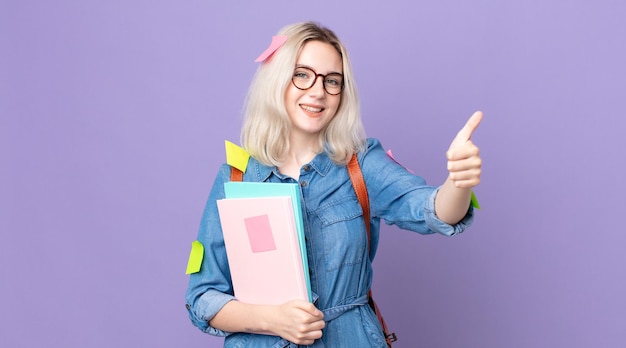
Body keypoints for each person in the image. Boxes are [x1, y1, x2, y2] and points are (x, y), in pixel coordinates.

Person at [186, 21, 482, 347]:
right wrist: (272, 320)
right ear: (277, 79)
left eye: (332, 81)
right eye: (302, 74)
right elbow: (202, 296)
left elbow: (434, 210)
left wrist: (459, 182)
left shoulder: (361, 164)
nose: (318, 91)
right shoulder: (236, 177)